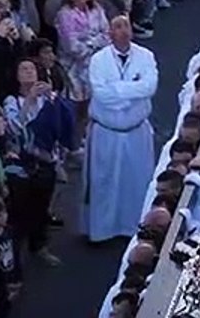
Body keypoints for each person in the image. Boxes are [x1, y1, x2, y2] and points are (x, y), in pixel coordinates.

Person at [82, 15, 160, 243]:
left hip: (136, 131)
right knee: (104, 182)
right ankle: (102, 231)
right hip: (107, 131)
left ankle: (135, 227)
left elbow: (150, 87)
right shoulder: (98, 60)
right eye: (117, 26)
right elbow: (100, 94)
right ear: (109, 33)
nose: (123, 30)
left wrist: (118, 91)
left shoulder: (146, 56)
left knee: (137, 181)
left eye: (126, 25)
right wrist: (131, 93)